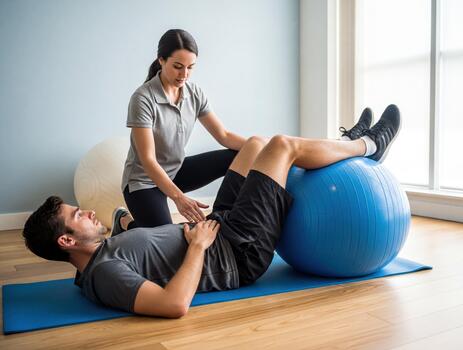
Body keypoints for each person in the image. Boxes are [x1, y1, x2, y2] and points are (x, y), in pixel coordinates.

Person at [23, 105, 400, 318]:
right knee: (282, 146)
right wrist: (199, 247)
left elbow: (141, 256)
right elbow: (173, 305)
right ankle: (366, 145)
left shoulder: (93, 264)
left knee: (253, 145)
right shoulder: (103, 274)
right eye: (78, 215)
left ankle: (344, 143)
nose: (88, 212)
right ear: (67, 240)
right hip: (237, 251)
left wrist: (127, 225)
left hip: (217, 228)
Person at [122, 29, 247, 228]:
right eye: (178, 67)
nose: (184, 74)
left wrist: (265, 147)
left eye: (190, 67)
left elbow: (224, 136)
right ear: (161, 60)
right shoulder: (143, 98)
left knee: (239, 156)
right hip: (144, 183)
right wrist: (179, 199)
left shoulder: (194, 93)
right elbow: (148, 160)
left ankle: (225, 220)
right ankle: (126, 225)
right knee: (167, 244)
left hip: (176, 171)